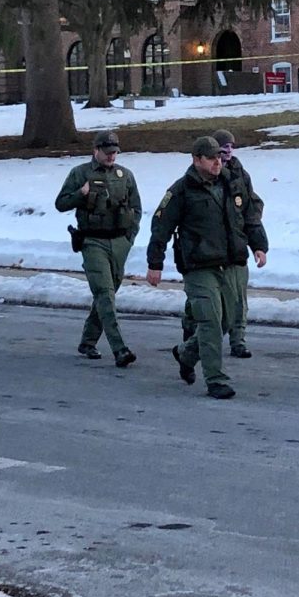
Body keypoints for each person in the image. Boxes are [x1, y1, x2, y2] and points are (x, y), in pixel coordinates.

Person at [146, 136, 268, 399]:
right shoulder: (181, 190)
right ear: (197, 160)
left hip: (230, 262)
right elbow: (161, 227)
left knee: (228, 319)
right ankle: (216, 379)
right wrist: (155, 263)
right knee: (211, 320)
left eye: (219, 157)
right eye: (211, 158)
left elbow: (248, 216)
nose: (217, 162)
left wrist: (259, 245)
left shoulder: (231, 183)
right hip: (199, 265)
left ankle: (187, 353)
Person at [55, 130, 141, 367]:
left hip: (119, 242)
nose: (112, 156)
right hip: (93, 241)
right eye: (108, 152)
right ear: (96, 151)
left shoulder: (125, 175)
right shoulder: (80, 173)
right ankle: (119, 348)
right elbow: (60, 203)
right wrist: (80, 194)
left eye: (115, 152)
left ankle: (88, 341)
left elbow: (136, 208)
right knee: (104, 293)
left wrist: (129, 239)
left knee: (108, 293)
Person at [178, 129, 263, 359]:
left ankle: (238, 341)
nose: (226, 154)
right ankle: (192, 326)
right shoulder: (195, 180)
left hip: (235, 247)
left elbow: (251, 208)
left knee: (237, 299)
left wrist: (257, 243)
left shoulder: (239, 174)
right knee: (208, 303)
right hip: (205, 252)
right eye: (221, 149)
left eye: (230, 148)